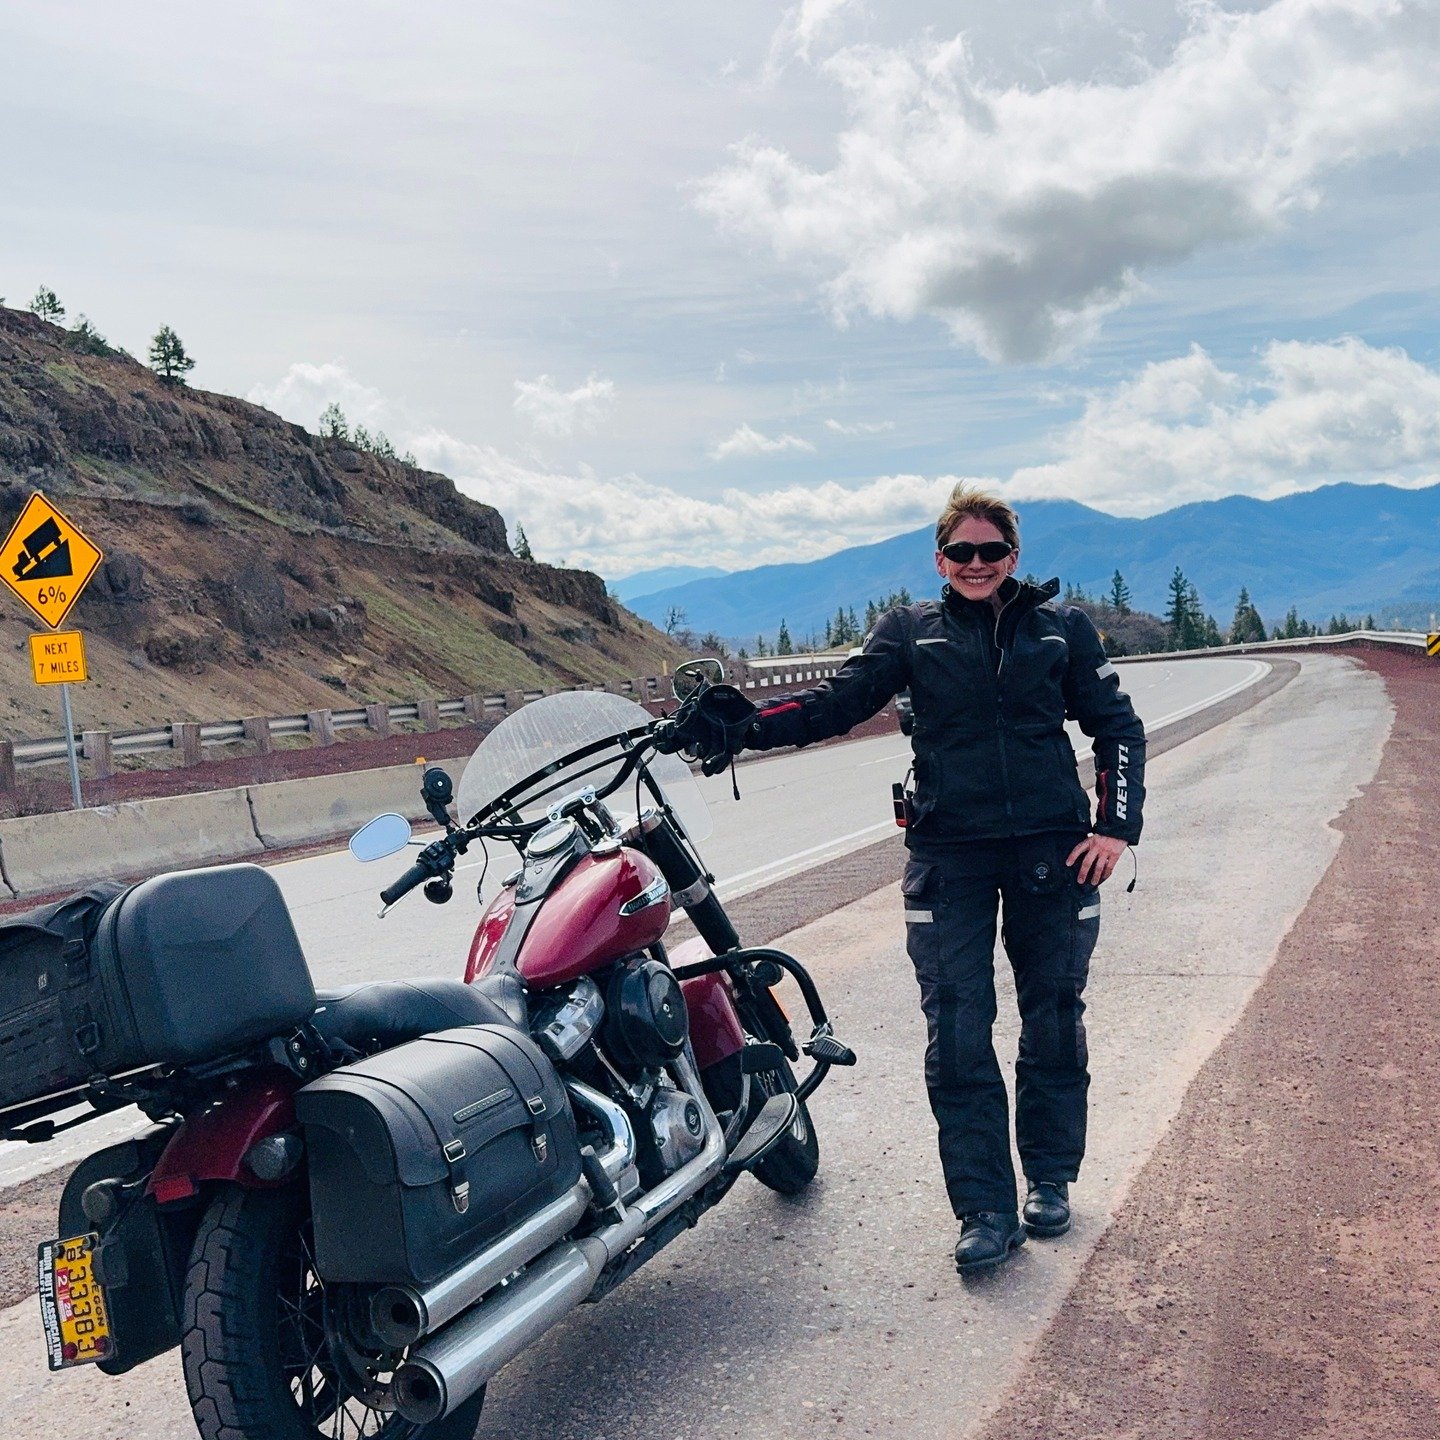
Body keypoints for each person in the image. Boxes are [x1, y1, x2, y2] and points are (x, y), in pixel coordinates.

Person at [740, 483, 1146, 1273]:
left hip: (1052, 855)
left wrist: (1115, 828)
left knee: (1054, 1019)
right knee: (957, 1035)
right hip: (948, 856)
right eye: (962, 552)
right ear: (939, 560)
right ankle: (985, 1209)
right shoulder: (908, 632)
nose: (977, 564)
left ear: (1014, 557)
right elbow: (837, 703)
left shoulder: (1060, 629)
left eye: (992, 551)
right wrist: (746, 728)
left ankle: (1051, 1178)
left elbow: (1116, 728)